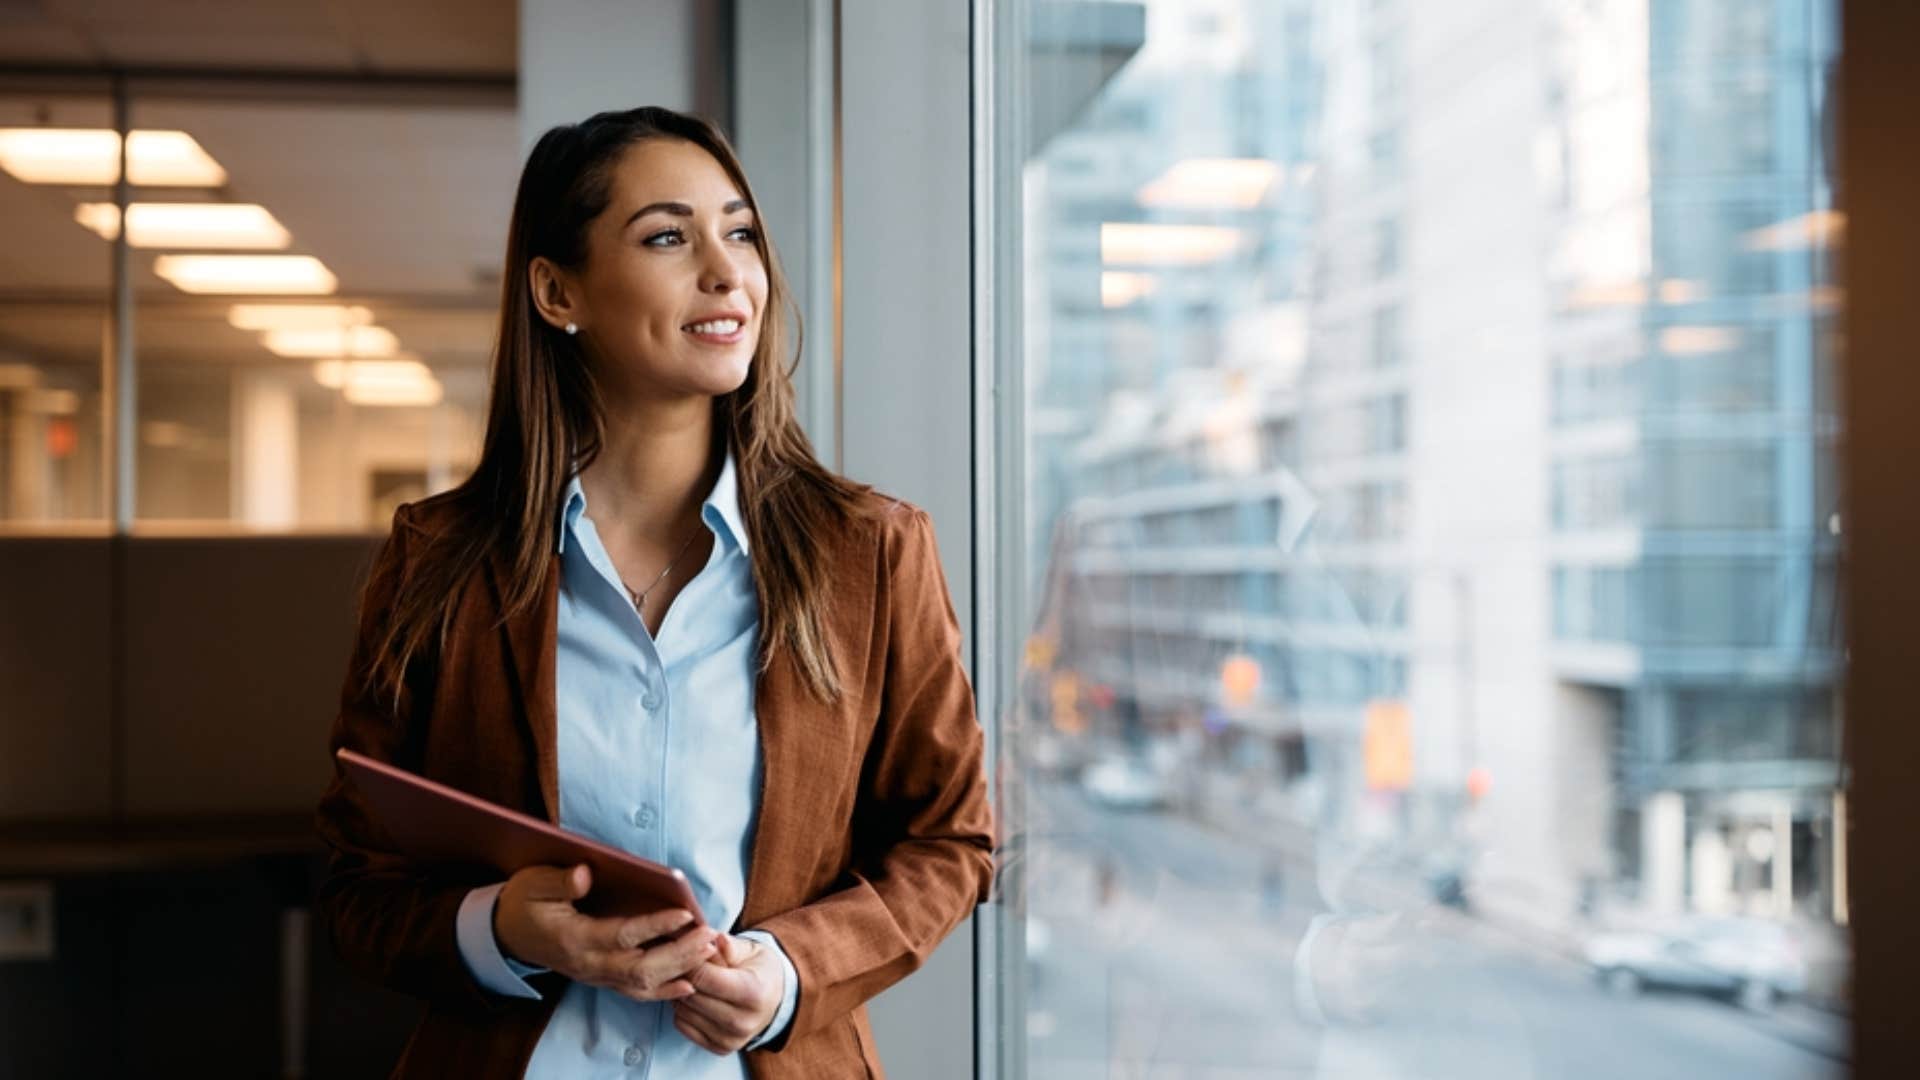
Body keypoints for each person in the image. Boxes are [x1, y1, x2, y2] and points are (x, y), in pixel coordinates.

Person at [314, 105, 995, 1079]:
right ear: (558, 291)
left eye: (742, 232)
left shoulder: (873, 554)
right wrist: (499, 928)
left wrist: (790, 973)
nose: (729, 273)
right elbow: (357, 884)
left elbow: (951, 842)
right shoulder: (439, 562)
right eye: (669, 236)